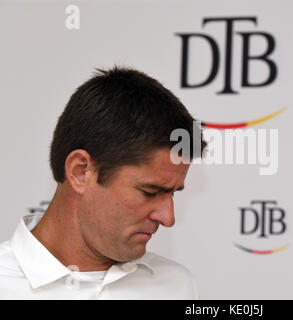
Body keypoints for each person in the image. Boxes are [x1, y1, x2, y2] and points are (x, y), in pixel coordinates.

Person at [0, 66, 207, 299]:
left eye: (172, 193)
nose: (168, 218)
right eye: (150, 191)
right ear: (81, 172)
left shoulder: (176, 286)